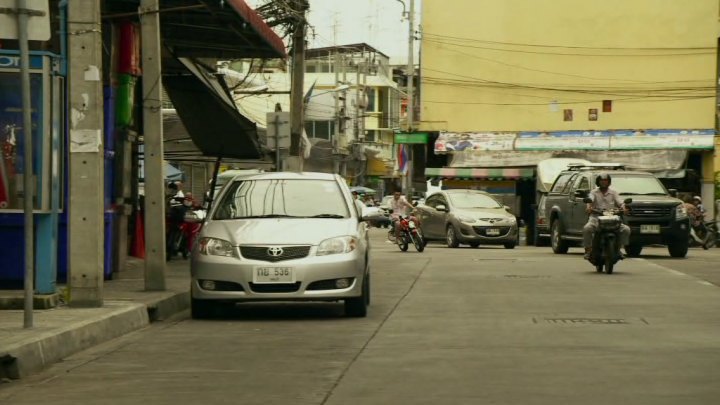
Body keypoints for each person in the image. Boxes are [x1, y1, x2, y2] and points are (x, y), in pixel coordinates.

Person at [582, 173, 631, 260]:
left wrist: (624, 209)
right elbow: (590, 200)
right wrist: (589, 207)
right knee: (587, 228)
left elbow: (621, 202)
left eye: (606, 181)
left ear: (609, 182)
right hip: (596, 218)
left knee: (626, 229)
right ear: (598, 182)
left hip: (612, 219)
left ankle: (619, 249)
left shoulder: (614, 192)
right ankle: (588, 250)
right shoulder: (593, 192)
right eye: (602, 181)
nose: (604, 183)